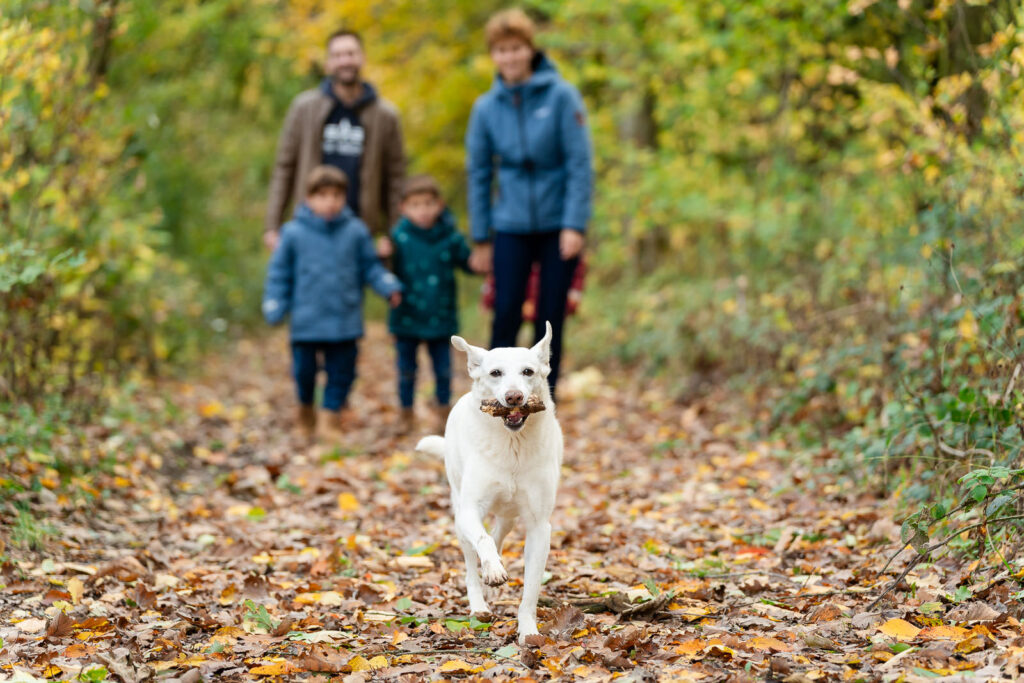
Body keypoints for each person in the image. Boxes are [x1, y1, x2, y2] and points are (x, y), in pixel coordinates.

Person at [465, 8, 593, 400]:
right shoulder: (486, 108)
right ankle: (490, 397)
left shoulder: (561, 96)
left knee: (549, 317)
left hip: (557, 225)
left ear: (529, 49)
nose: (510, 57)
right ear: (494, 55)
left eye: (516, 48)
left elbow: (579, 163)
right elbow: (479, 173)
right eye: (501, 50)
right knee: (505, 310)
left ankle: (544, 399)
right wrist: (481, 236)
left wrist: (574, 224)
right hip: (510, 225)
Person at [263, 166, 402, 442]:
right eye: (322, 195)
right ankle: (305, 411)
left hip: (344, 319)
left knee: (343, 371)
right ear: (308, 198)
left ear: (344, 198)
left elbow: (370, 267)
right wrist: (274, 302)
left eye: (336, 195)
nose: (330, 202)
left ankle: (330, 417)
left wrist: (388, 286)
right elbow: (280, 272)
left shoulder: (355, 231)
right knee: (304, 372)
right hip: (306, 321)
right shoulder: (292, 233)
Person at [265, 28, 406, 255]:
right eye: (337, 55)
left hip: (360, 232)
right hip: (310, 226)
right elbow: (284, 168)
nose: (345, 61)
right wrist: (272, 225)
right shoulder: (304, 108)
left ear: (362, 58)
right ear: (328, 63)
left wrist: (395, 233)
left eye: (350, 53)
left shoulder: (386, 116)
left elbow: (396, 179)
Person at [388, 175, 475, 434]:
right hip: (406, 316)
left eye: (428, 203)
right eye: (415, 205)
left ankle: (443, 414)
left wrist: (485, 253)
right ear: (404, 207)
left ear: (439, 205)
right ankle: (406, 413)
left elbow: (470, 263)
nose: (423, 211)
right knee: (406, 370)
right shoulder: (398, 238)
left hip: (441, 315)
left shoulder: (450, 236)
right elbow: (382, 271)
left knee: (443, 370)